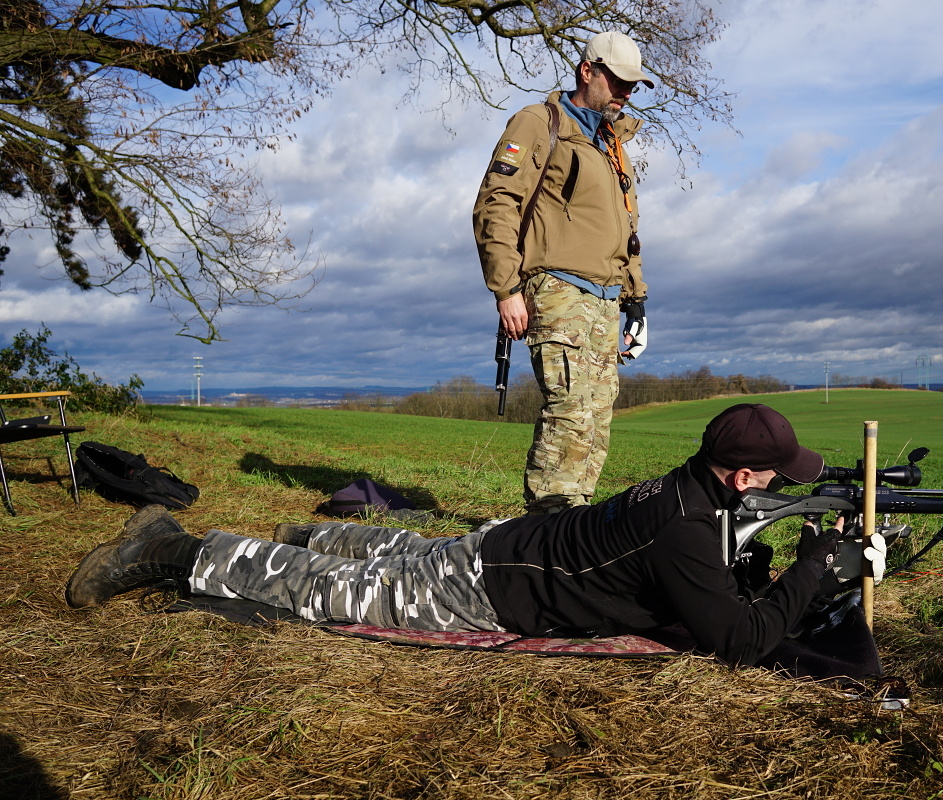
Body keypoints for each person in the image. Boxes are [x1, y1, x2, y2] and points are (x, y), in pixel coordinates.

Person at [65, 404, 881, 679]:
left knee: (395, 553)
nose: (782, 483)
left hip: (506, 546)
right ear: (742, 477)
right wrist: (816, 565)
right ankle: (166, 547)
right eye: (776, 476)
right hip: (489, 588)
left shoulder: (682, 487)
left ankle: (308, 531)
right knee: (328, 592)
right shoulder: (684, 532)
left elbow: (709, 575)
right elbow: (740, 641)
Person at [473, 31, 652, 515]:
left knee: (597, 414)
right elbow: (497, 204)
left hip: (606, 298)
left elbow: (628, 230)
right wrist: (506, 288)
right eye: (617, 80)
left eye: (632, 85)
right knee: (569, 407)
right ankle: (548, 521)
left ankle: (575, 518)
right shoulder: (538, 122)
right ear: (587, 70)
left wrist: (636, 300)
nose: (625, 92)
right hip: (556, 288)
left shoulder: (612, 144)